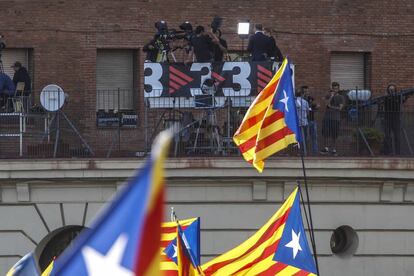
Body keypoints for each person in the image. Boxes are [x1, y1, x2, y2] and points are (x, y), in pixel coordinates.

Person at [381, 84, 409, 155]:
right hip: (387, 118)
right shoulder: (386, 97)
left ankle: (397, 152)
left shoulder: (398, 97)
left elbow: (402, 101)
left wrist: (406, 97)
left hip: (396, 118)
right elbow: (382, 103)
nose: (391, 90)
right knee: (387, 136)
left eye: (393, 89)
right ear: (388, 90)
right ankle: (389, 152)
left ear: (395, 90)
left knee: (397, 136)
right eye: (390, 89)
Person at [320, 82, 344, 156]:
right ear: (332, 88)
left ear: (338, 89)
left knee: (334, 134)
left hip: (335, 118)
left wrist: (331, 107)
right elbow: (325, 104)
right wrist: (331, 97)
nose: (335, 90)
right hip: (327, 117)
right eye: (334, 88)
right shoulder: (328, 96)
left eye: (336, 88)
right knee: (326, 134)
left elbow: (340, 108)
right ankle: (326, 148)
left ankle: (333, 149)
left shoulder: (340, 97)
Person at [303, 86, 320, 155]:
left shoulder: (310, 98)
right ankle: (305, 151)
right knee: (306, 137)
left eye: (307, 91)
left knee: (314, 137)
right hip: (305, 121)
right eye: (304, 91)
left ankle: (314, 152)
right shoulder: (301, 100)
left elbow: (316, 106)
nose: (306, 93)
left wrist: (315, 107)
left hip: (312, 120)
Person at [295, 89, 310, 155]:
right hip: (304, 122)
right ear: (302, 94)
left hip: (296, 122)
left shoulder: (294, 102)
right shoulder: (305, 102)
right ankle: (304, 151)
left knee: (297, 137)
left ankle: (298, 151)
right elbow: (308, 112)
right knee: (305, 137)